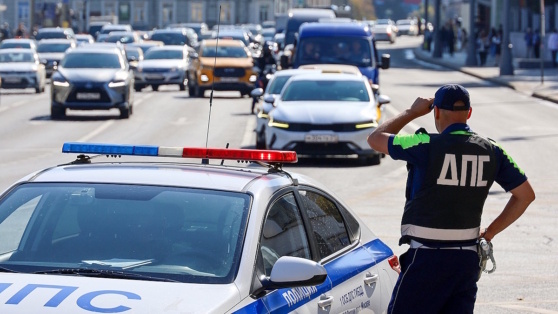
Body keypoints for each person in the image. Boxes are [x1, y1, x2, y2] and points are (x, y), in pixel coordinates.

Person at [367, 84, 535, 314]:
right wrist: (490, 232)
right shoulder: (492, 150)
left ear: (436, 112)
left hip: (426, 259)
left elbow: (375, 138)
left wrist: (412, 112)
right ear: (469, 113)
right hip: (465, 261)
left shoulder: (425, 144)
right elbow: (525, 196)